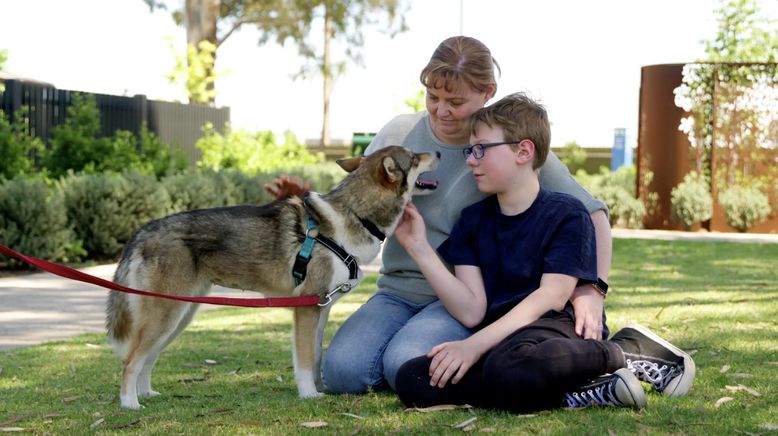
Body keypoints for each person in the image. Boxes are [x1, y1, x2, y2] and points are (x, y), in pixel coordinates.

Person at [266, 36, 611, 394]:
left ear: (487, 92)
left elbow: (594, 215)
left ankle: (436, 363)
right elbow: (352, 201)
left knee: (405, 362)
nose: (441, 110)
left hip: (460, 298)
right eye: (433, 97)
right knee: (343, 373)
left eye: (456, 101)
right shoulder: (399, 133)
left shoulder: (507, 148)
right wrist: (304, 201)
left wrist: (592, 288)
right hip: (395, 290)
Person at [392, 92, 696, 412]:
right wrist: (418, 247)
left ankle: (625, 351)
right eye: (470, 150)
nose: (470, 159)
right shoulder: (471, 222)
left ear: (523, 151)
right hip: (506, 342)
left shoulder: (567, 214)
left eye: (481, 149)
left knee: (506, 367)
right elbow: (471, 311)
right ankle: (579, 390)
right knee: (414, 378)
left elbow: (551, 296)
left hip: (558, 332)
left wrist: (473, 345)